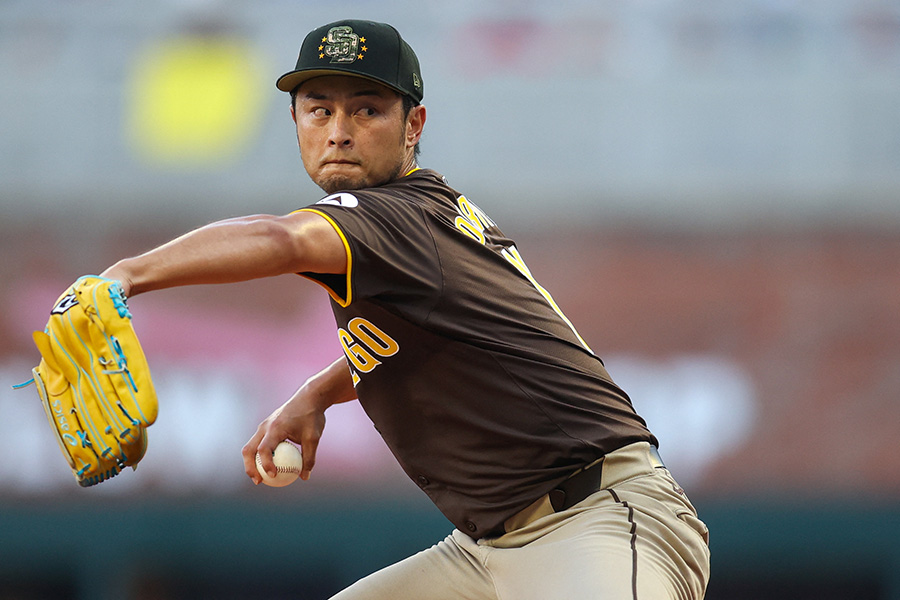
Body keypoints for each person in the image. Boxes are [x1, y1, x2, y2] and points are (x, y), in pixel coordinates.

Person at [101, 19, 710, 599]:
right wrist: (318, 393)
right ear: (295, 121)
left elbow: (281, 240)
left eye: (366, 110)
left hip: (596, 521)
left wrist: (123, 277)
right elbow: (439, 334)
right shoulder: (423, 213)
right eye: (319, 110)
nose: (339, 131)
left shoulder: (394, 216)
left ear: (413, 124)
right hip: (486, 551)